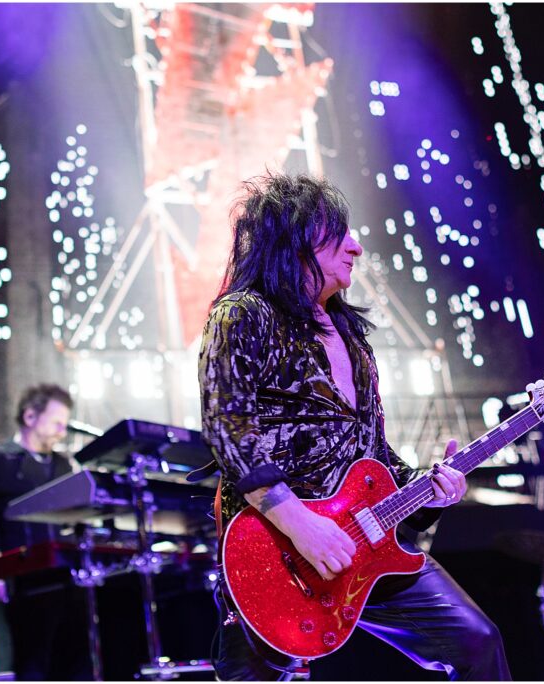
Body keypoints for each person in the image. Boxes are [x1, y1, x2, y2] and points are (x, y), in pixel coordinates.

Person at [197, 172, 511, 680]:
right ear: (294, 241)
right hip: (278, 554)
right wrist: (302, 526)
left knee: (476, 642)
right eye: (338, 235)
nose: (357, 247)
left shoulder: (350, 336)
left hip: (367, 546)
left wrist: (428, 490)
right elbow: (229, 430)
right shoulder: (242, 315)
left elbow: (372, 452)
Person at [0, 383, 93, 680]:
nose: (62, 431)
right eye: (57, 422)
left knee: (76, 665)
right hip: (27, 583)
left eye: (65, 424)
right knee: (33, 664)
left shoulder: (63, 464)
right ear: (30, 417)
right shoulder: (1, 460)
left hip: (69, 581)